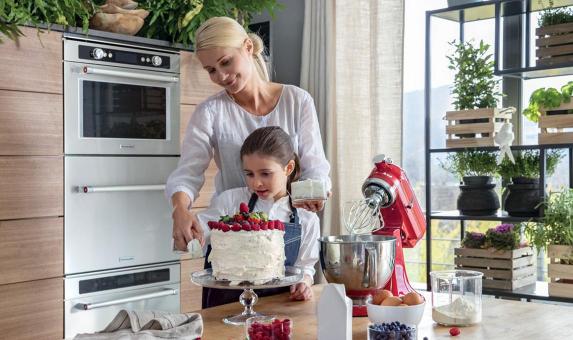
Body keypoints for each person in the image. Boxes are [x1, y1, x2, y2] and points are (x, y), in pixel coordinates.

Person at [166, 16, 331, 251]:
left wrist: (317, 190)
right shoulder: (210, 112)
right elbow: (187, 173)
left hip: (286, 233)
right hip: (233, 235)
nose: (221, 76)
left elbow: (315, 167)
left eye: (225, 62)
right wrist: (180, 209)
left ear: (248, 47)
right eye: (211, 70)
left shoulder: (298, 101)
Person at [195, 126, 319, 307]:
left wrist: (304, 282)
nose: (256, 182)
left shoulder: (306, 216)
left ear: (288, 168)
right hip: (224, 306)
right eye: (249, 174)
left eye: (265, 173)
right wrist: (188, 231)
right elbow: (195, 234)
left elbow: (306, 266)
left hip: (278, 305)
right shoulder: (230, 201)